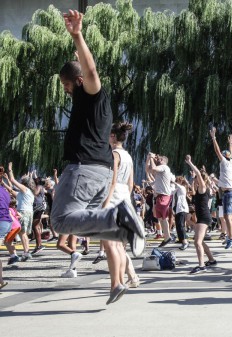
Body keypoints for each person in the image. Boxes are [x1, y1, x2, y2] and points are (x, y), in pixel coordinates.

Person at [50, 10, 145, 304]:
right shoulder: (96, 107)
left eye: (67, 86)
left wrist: (77, 35)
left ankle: (119, 218)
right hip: (100, 173)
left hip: (84, 169)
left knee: (61, 221)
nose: (66, 92)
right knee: (97, 230)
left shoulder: (92, 94)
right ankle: (119, 244)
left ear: (76, 81)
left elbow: (90, 72)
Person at [103, 122, 141, 292]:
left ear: (113, 137)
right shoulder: (128, 155)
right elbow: (131, 183)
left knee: (111, 245)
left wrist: (106, 202)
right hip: (125, 196)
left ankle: (118, 282)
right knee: (119, 245)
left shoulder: (114, 154)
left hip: (114, 197)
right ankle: (125, 280)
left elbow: (112, 180)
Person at [186, 156, 217, 274]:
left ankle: (201, 265)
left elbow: (199, 173)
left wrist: (190, 162)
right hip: (203, 217)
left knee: (197, 242)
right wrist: (195, 175)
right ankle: (211, 260)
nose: (194, 179)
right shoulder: (203, 188)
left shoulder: (203, 188)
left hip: (204, 218)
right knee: (200, 240)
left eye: (195, 178)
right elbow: (194, 188)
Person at [210, 128, 232, 249]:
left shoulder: (224, 162)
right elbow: (230, 153)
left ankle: (231, 238)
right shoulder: (231, 162)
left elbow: (217, 151)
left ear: (223, 156)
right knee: (229, 216)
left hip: (228, 193)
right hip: (230, 192)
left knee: (227, 216)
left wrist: (214, 137)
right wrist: (230, 143)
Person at [6, 163, 35, 261]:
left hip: (23, 212)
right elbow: (11, 191)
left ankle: (26, 252)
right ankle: (26, 252)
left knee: (22, 233)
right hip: (28, 212)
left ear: (25, 183)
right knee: (24, 233)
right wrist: (3, 183)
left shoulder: (25, 189)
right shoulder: (26, 192)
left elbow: (13, 181)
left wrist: (10, 170)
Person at [146, 153, 174, 246]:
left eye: (160, 159)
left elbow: (153, 168)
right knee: (160, 218)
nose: (158, 159)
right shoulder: (160, 170)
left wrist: (152, 158)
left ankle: (168, 237)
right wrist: (149, 158)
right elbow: (148, 170)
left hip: (164, 195)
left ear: (164, 161)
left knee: (163, 217)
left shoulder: (164, 167)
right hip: (159, 196)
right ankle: (166, 237)